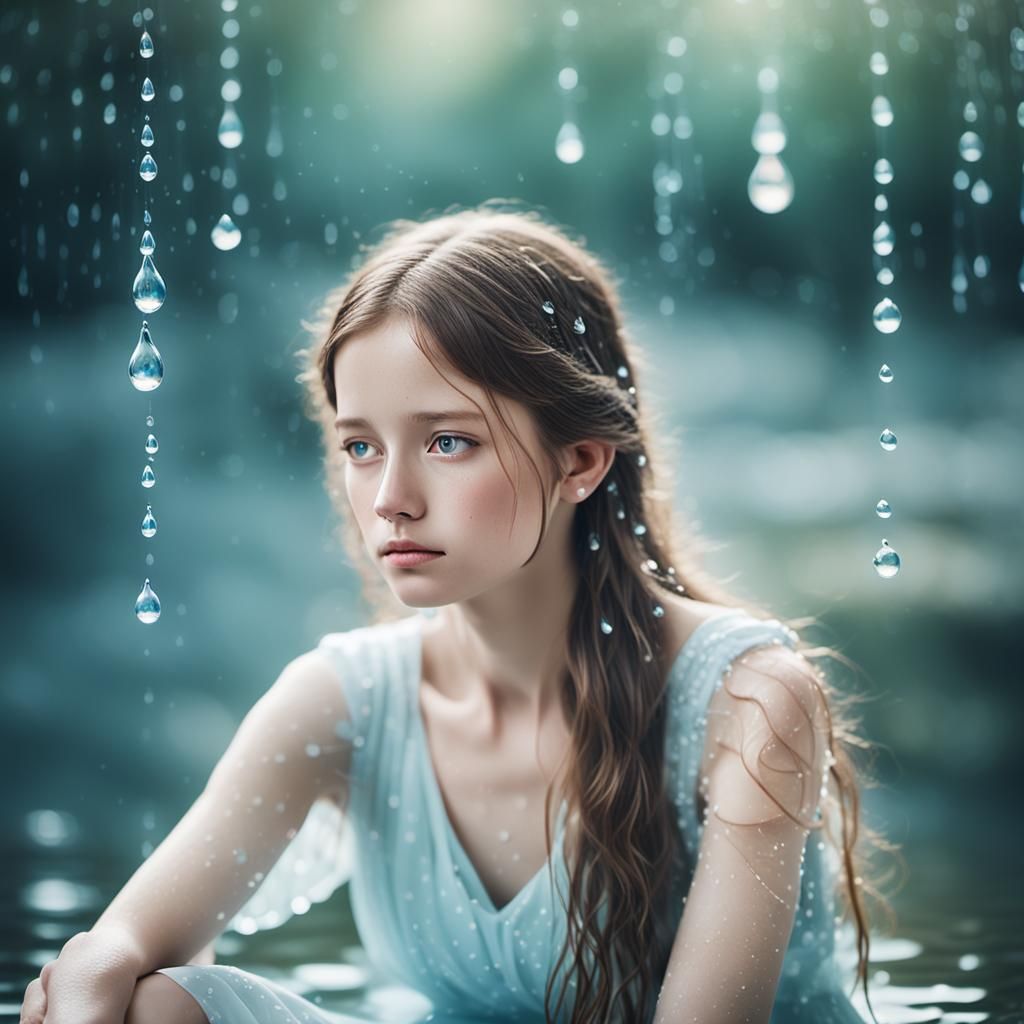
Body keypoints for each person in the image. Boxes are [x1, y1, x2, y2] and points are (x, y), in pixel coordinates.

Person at [21, 203, 896, 1024]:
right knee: (158, 1005)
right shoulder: (344, 699)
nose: (391, 499)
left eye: (449, 441)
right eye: (361, 446)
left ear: (581, 462)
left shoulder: (747, 705)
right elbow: (125, 947)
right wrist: (91, 973)